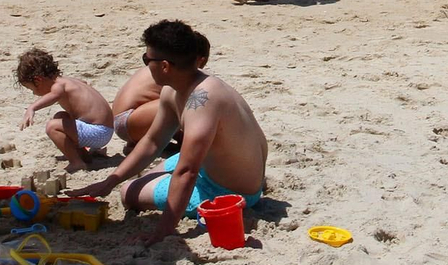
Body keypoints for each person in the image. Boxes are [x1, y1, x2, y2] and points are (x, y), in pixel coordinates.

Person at [74, 20, 267, 247]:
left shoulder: (201, 100)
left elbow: (187, 171)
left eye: (147, 60)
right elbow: (153, 142)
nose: (146, 66)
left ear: (164, 66)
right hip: (223, 166)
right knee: (142, 178)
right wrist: (110, 181)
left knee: (129, 193)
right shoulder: (176, 89)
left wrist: (164, 229)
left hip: (231, 190)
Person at [16, 48, 114, 171]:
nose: (34, 93)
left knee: (52, 127)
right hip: (103, 129)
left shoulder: (58, 86)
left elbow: (54, 96)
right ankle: (83, 156)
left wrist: (32, 108)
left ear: (38, 80)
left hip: (98, 132)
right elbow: (84, 83)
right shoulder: (68, 81)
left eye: (32, 89)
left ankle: (76, 162)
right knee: (60, 117)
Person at [111, 65, 168, 152]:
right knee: (186, 98)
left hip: (122, 120)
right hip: (132, 120)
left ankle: (137, 141)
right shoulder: (175, 69)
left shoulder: (155, 65)